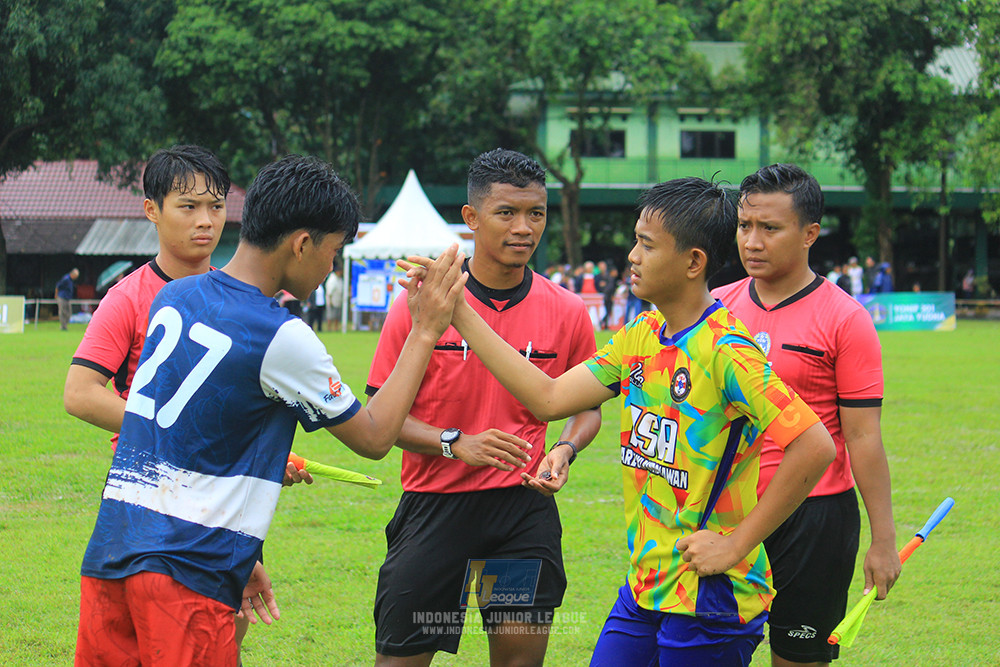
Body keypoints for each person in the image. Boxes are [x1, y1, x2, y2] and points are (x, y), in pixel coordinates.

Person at [405, 176, 836, 666]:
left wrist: (736, 545)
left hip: (709, 594)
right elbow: (548, 398)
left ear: (694, 262)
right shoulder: (641, 336)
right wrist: (459, 310)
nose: (631, 255)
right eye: (635, 240)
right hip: (645, 586)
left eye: (646, 245)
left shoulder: (726, 352)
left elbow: (815, 445)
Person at [73, 154, 468, 666]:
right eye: (333, 252)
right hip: (189, 572)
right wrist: (425, 331)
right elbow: (374, 438)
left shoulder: (174, 295)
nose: (330, 268)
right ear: (302, 244)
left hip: (112, 554)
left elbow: (191, 436)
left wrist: (246, 550)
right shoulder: (281, 334)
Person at [64, 145, 312, 658]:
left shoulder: (259, 301)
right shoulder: (129, 296)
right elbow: (81, 394)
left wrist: (264, 457)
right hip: (150, 506)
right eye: (188, 206)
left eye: (216, 206)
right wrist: (183, 431)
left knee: (222, 636)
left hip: (228, 506)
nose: (205, 221)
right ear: (152, 209)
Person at [367, 148, 602, 666]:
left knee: (519, 659)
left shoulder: (565, 311)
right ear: (471, 218)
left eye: (535, 213)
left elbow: (588, 407)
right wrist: (455, 444)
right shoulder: (421, 304)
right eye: (506, 213)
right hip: (434, 507)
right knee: (402, 657)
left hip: (521, 513)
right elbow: (381, 419)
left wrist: (564, 447)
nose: (524, 227)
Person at [713, 163, 900, 667]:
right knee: (706, 652)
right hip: (727, 511)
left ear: (809, 234)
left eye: (769, 228)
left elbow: (862, 438)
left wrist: (883, 541)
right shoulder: (715, 310)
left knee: (796, 658)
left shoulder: (846, 319)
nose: (751, 241)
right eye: (744, 225)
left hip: (815, 517)